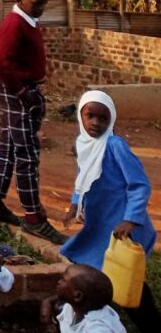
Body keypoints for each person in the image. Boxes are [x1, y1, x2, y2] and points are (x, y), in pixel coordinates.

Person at [59, 90, 159, 332]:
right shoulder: (84, 144)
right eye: (90, 116)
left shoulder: (115, 146)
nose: (95, 123)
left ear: (111, 119)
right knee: (91, 266)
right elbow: (82, 178)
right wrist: (75, 204)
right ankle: (89, 313)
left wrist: (130, 219)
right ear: (80, 116)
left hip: (121, 224)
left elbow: (139, 184)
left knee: (125, 275)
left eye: (102, 118)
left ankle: (149, 323)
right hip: (100, 223)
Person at [0, 0, 66, 244]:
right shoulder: (15, 23)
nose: (41, 8)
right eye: (36, 3)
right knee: (26, 154)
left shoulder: (28, 20)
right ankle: (34, 218)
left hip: (22, 89)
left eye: (44, 4)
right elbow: (0, 65)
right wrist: (22, 92)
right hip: (17, 91)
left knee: (10, 146)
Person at [40, 263, 126, 333]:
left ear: (77, 296)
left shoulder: (98, 329)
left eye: (63, 280)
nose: (59, 282)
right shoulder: (78, 307)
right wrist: (47, 301)